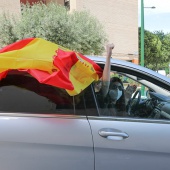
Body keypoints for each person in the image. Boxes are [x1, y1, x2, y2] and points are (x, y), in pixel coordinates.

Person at [94, 44, 136, 116]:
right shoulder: (104, 101)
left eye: (120, 88)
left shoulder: (120, 104)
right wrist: (108, 55)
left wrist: (128, 97)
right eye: (114, 87)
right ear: (109, 89)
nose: (117, 91)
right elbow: (105, 84)